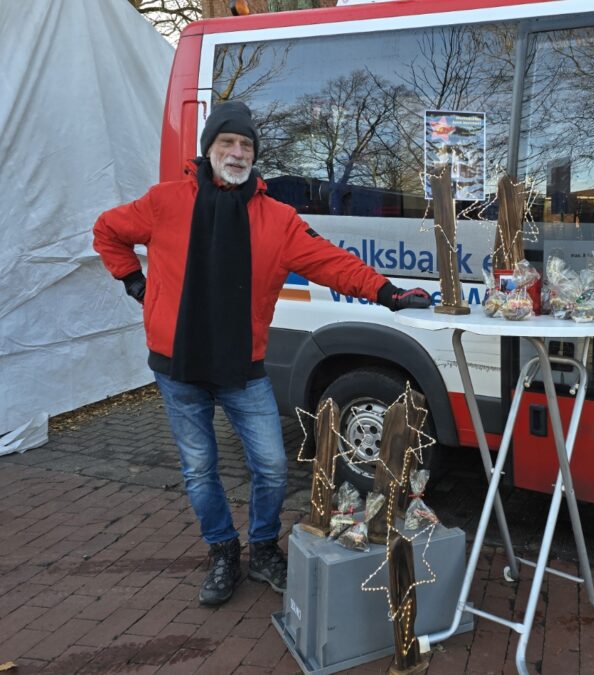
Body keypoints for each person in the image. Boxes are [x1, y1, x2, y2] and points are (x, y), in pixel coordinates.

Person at [93, 101, 431, 606]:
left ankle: (263, 546)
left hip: (241, 368)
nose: (236, 152)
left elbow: (331, 262)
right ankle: (223, 550)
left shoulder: (277, 219)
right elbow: (107, 231)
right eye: (227, 143)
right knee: (199, 470)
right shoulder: (165, 202)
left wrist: (386, 291)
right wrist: (136, 283)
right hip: (177, 366)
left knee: (272, 467)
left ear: (255, 155)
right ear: (207, 150)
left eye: (246, 145)